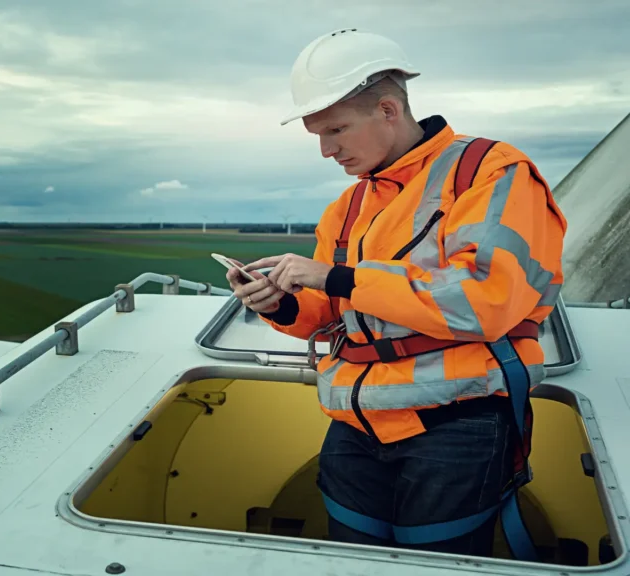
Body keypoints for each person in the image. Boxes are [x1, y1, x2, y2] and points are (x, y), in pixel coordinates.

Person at [225, 28, 567, 560]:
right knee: (351, 561)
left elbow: (485, 302)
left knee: (436, 564)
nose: (326, 150)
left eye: (336, 129)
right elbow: (331, 316)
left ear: (388, 110)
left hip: (458, 420)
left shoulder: (490, 173)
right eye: (317, 135)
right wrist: (281, 303)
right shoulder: (347, 207)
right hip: (354, 424)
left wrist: (337, 277)